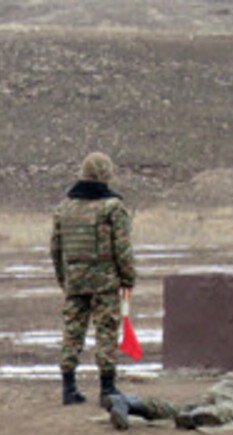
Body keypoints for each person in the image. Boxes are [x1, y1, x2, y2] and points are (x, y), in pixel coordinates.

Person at [50, 152, 136, 406]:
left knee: (72, 332)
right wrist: (128, 278)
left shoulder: (64, 208)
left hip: (75, 280)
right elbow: (123, 248)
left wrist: (65, 280)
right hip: (104, 281)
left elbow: (55, 249)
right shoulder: (113, 207)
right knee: (106, 331)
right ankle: (107, 389)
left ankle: (68, 388)